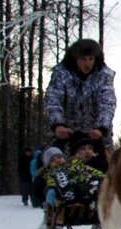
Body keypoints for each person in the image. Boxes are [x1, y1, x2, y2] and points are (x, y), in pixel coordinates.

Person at [43, 38, 116, 172]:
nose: (87, 64)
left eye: (90, 59)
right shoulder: (61, 74)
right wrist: (57, 124)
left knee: (109, 169)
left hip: (96, 133)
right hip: (67, 132)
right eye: (83, 59)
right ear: (75, 59)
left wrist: (101, 127)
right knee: (56, 168)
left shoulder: (104, 76)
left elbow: (108, 103)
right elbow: (53, 99)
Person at [33, 145, 106, 229]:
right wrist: (52, 191)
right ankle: (72, 192)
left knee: (93, 186)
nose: (57, 161)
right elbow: (49, 184)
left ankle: (93, 188)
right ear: (48, 164)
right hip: (64, 200)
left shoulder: (74, 168)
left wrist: (106, 178)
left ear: (64, 158)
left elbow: (92, 171)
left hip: (84, 195)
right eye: (53, 160)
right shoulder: (49, 174)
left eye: (59, 157)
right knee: (56, 189)